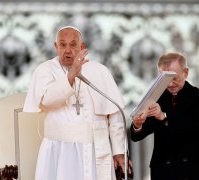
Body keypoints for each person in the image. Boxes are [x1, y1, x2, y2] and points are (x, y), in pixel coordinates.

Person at [23, 26, 130, 180]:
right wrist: (71, 75)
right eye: (62, 45)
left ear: (82, 46)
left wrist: (119, 152)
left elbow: (114, 115)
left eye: (73, 45)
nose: (67, 50)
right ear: (56, 47)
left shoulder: (100, 71)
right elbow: (47, 100)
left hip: (95, 151)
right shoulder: (45, 70)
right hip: (59, 151)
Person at [130, 52, 199, 180]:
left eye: (174, 78)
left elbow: (195, 129)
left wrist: (164, 117)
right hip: (163, 172)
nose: (170, 84)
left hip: (193, 171)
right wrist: (138, 125)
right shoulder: (156, 99)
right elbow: (136, 136)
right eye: (165, 79)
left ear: (186, 73)